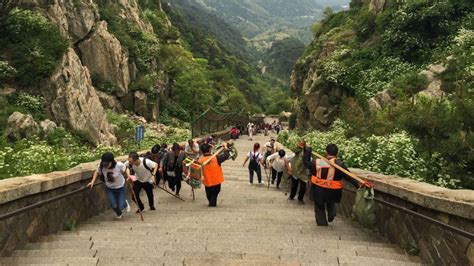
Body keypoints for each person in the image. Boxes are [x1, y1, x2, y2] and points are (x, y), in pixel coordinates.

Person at [302, 142, 371, 226]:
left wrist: (307, 151)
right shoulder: (339, 165)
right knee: (331, 202)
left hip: (318, 189)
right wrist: (359, 185)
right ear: (337, 153)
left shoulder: (317, 162)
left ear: (326, 152)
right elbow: (349, 176)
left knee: (319, 206)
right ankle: (331, 213)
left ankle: (322, 223)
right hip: (333, 190)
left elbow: (306, 163)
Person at [87, 152, 131, 219]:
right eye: (104, 164)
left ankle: (125, 203)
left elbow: (126, 169)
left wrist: (128, 176)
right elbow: (96, 172)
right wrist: (92, 181)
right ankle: (119, 214)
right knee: (113, 204)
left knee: (121, 206)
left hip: (120, 187)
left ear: (112, 161)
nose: (106, 166)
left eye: (107, 164)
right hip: (110, 188)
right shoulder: (101, 166)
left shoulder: (118, 165)